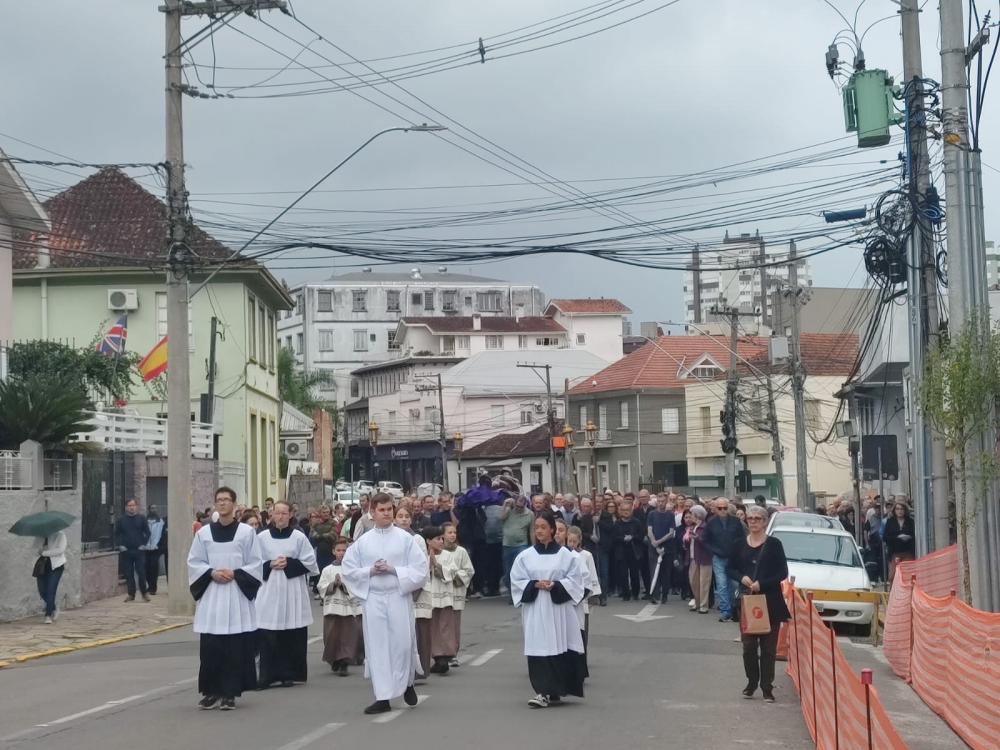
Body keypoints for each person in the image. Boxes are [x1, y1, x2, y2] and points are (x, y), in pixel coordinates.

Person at [341, 493, 428, 715]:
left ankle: (407, 682)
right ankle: (383, 696)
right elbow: (349, 571)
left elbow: (420, 569)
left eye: (390, 509)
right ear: (373, 511)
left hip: (398, 596)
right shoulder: (363, 542)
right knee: (378, 647)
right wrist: (370, 570)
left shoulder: (405, 539)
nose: (387, 513)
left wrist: (394, 570)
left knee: (402, 643)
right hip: (375, 599)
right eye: (382, 510)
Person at [188, 487, 263, 710]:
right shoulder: (203, 534)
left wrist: (236, 573)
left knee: (234, 647)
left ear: (234, 504)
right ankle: (211, 691)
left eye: (226, 500)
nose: (222, 504)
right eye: (219, 500)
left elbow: (256, 562)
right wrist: (211, 573)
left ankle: (230, 692)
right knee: (211, 647)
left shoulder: (246, 533)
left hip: (236, 593)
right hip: (213, 594)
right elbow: (194, 562)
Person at [510, 512, 587, 709]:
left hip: (558, 608)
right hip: (536, 608)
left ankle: (555, 690)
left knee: (558, 644)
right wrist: (534, 584)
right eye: (536, 528)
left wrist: (555, 585)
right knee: (539, 645)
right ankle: (541, 691)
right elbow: (516, 580)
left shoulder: (566, 556)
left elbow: (576, 581)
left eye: (543, 527)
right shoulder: (525, 556)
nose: (539, 531)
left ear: (552, 529)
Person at [727, 505, 790, 702]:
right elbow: (730, 568)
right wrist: (742, 577)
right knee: (748, 647)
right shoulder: (738, 544)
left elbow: (783, 572)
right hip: (748, 601)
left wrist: (762, 583)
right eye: (750, 518)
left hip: (770, 601)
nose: (753, 522)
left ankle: (767, 687)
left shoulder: (774, 544)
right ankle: (752, 682)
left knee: (769, 648)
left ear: (764, 522)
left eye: (757, 519)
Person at [255, 501, 318, 689]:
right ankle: (267, 676)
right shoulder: (262, 537)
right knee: (268, 632)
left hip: (292, 589)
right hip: (270, 588)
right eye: (277, 513)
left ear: (290, 515)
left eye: (284, 513)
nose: (281, 517)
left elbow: (311, 563)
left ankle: (289, 674)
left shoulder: (298, 537)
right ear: (271, 515)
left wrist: (289, 563)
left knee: (291, 633)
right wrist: (270, 565)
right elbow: (252, 562)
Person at [319, 538, 362, 676]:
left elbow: (357, 586)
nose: (341, 553)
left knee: (347, 635)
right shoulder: (327, 569)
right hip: (332, 607)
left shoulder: (352, 569)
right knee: (331, 635)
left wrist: (343, 585)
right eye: (338, 550)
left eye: (344, 550)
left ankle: (344, 661)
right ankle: (334, 659)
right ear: (333, 551)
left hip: (348, 608)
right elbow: (321, 586)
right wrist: (333, 584)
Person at [702, 497, 744, 622]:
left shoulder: (736, 522)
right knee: (721, 585)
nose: (722, 510)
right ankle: (726, 611)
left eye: (725, 508)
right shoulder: (711, 522)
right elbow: (705, 540)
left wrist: (738, 551)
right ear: (715, 509)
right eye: (719, 508)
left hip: (734, 559)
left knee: (734, 585)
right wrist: (714, 551)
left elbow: (742, 538)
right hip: (718, 558)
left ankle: (734, 609)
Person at [566, 525, 599, 675]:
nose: (571, 544)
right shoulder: (564, 555)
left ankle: (582, 661)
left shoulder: (586, 556)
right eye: (569, 541)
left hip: (583, 600)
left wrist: (593, 595)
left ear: (579, 540)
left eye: (574, 541)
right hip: (569, 599)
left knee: (582, 631)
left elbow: (592, 576)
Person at [441, 522, 474, 666]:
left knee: (454, 624)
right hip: (442, 592)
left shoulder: (461, 551)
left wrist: (454, 575)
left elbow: (469, 570)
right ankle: (441, 653)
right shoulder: (438, 551)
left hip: (455, 591)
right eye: (449, 532)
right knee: (442, 625)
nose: (453, 535)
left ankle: (453, 653)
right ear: (442, 535)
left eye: (454, 532)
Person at [115, 499, 151, 603]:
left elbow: (148, 533)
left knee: (141, 572)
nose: (131, 507)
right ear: (126, 507)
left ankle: (144, 593)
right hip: (126, 550)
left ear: (136, 507)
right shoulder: (121, 520)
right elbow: (116, 534)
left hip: (139, 550)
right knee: (128, 573)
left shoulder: (142, 519)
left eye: (133, 505)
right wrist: (120, 545)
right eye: (129, 505)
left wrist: (143, 544)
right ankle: (131, 594)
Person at [501, 495, 534, 601]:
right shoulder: (509, 510)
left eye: (521, 507)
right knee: (508, 572)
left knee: (520, 570)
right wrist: (506, 506)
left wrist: (534, 547)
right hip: (507, 545)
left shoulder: (530, 514)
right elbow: (501, 518)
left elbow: (532, 531)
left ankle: (519, 594)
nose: (519, 508)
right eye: (517, 506)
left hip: (521, 545)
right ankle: (511, 592)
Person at [645, 495, 676, 604]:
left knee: (666, 572)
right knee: (654, 571)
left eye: (663, 501)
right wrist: (655, 543)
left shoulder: (670, 515)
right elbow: (649, 530)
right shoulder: (652, 514)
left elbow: (671, 533)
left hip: (667, 547)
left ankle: (665, 595)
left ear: (666, 502)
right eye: (659, 501)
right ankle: (655, 595)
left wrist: (659, 542)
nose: (660, 503)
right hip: (653, 548)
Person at [684, 505, 713, 613]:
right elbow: (689, 542)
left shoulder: (706, 527)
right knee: (693, 582)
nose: (690, 517)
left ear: (697, 515)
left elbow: (709, 544)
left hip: (705, 558)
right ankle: (697, 602)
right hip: (693, 557)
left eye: (691, 514)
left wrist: (698, 538)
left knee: (704, 582)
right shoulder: (692, 527)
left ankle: (703, 606)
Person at [613, 502, 644, 601]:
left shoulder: (637, 522)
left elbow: (641, 536)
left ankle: (635, 593)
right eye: (623, 510)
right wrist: (623, 538)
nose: (626, 512)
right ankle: (625, 594)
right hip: (621, 552)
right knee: (623, 574)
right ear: (620, 511)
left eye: (628, 510)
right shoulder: (617, 523)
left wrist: (632, 537)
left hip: (634, 551)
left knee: (635, 573)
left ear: (631, 511)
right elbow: (614, 538)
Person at [37, 531, 67, 624]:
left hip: (56, 566)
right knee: (42, 590)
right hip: (42, 565)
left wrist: (45, 552)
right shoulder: (39, 536)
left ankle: (48, 615)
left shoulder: (60, 535)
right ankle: (53, 607)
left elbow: (60, 550)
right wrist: (39, 550)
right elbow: (34, 549)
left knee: (51, 589)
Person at [884, 502, 916, 585]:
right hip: (895, 552)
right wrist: (897, 537)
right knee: (893, 576)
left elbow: (915, 535)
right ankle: (893, 594)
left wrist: (908, 537)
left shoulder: (910, 522)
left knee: (907, 575)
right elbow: (885, 537)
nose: (900, 511)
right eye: (897, 509)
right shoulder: (890, 521)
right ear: (894, 511)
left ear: (905, 510)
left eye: (902, 509)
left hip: (908, 552)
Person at [596, 500, 618, 605]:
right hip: (591, 547)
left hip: (603, 548)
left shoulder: (607, 515)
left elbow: (610, 528)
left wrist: (599, 522)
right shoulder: (587, 514)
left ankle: (603, 596)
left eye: (599, 502)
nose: (598, 504)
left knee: (604, 573)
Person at [144, 506, 166, 595]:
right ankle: (149, 586)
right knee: (146, 568)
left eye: (155, 508)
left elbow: (163, 535)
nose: (154, 510)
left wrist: (159, 546)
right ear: (148, 510)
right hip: (145, 548)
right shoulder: (144, 522)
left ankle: (153, 588)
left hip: (156, 549)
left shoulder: (161, 522)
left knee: (153, 567)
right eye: (152, 508)